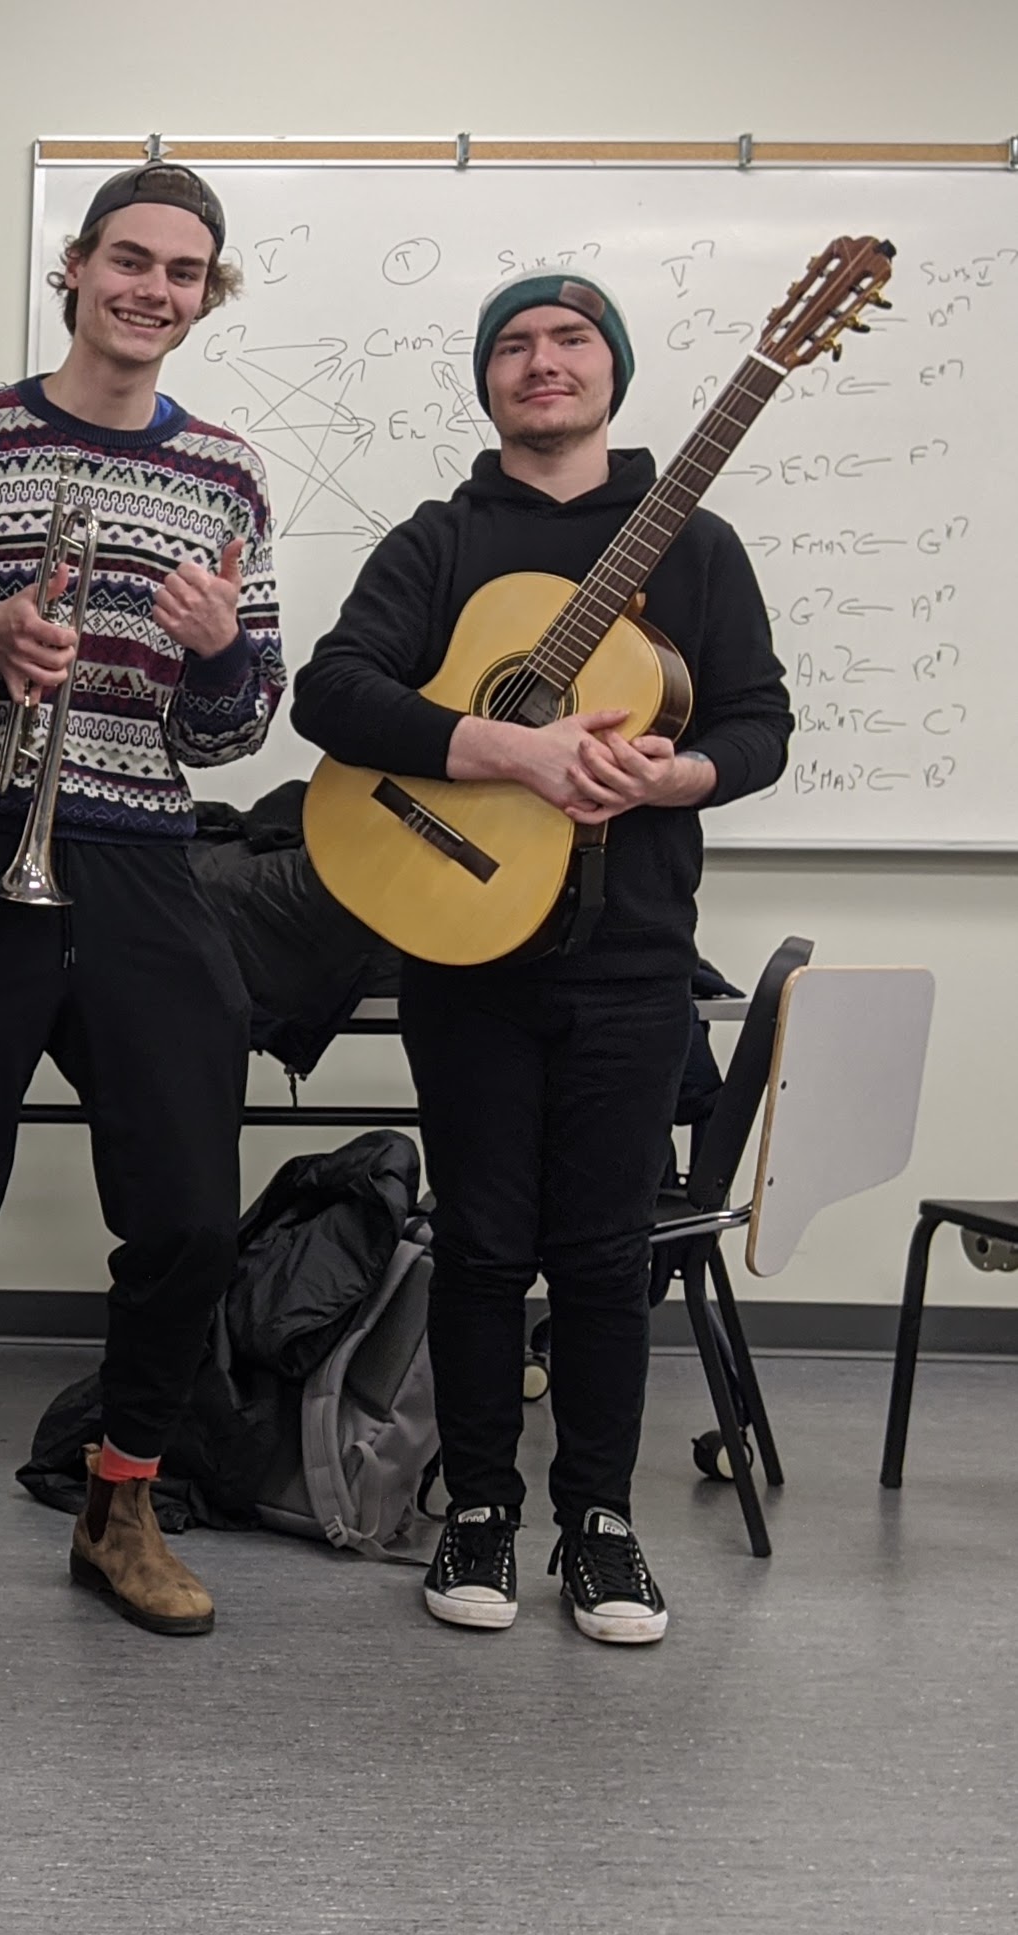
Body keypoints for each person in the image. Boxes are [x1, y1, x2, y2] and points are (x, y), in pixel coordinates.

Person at [295, 272, 791, 1647]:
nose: (539, 362)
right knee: (475, 1243)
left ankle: (599, 1522)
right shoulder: (437, 539)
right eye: (510, 345)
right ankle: (473, 1507)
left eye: (567, 339)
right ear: (485, 380)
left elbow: (756, 725)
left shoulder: (693, 544)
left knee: (595, 1251)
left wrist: (664, 773)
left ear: (611, 370)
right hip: (462, 951)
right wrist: (509, 747)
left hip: (631, 958)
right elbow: (330, 692)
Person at [0, 162, 279, 1637]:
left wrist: (220, 653)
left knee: (185, 1215)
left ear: (199, 296)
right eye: (129, 259)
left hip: (140, 859)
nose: (151, 288)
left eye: (181, 271)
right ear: (77, 268)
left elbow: (234, 730)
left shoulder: (222, 473)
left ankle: (122, 1492)